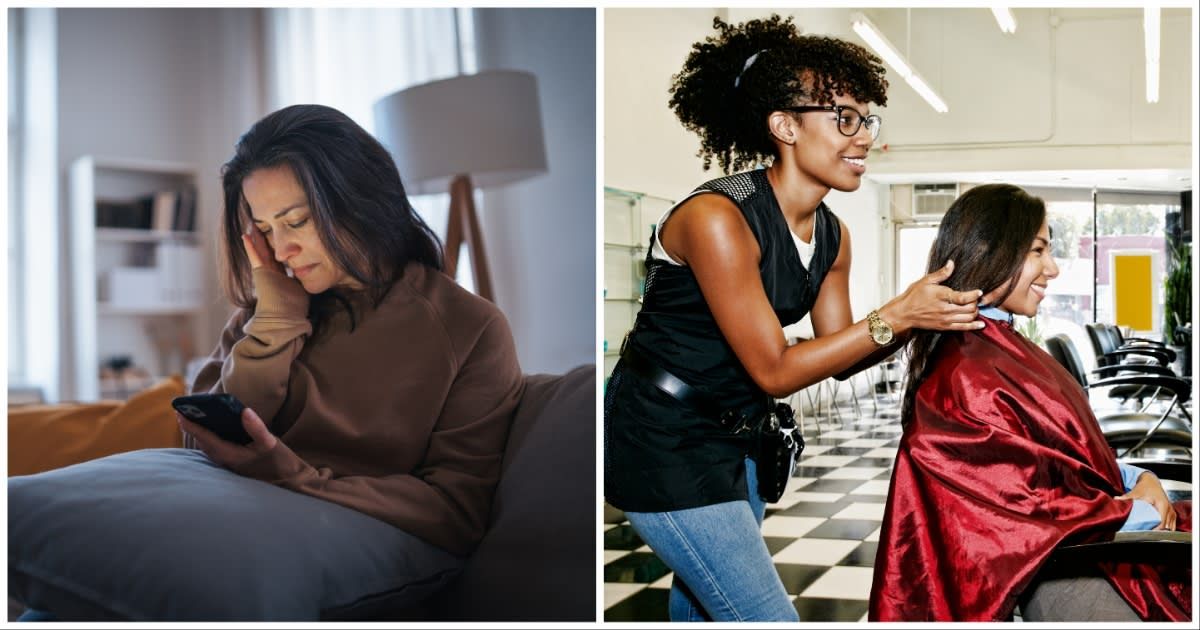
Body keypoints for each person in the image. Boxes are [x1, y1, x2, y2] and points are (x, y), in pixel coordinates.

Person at [602, 15, 986, 622]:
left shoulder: (832, 235)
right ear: (785, 126)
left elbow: (843, 355)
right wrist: (896, 313)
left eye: (867, 121)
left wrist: (921, 315)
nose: (863, 138)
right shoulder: (717, 218)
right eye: (844, 118)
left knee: (704, 607)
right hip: (662, 437)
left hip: (742, 436)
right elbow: (776, 371)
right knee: (763, 615)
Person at [181, 104, 524, 558]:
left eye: (296, 221)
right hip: (228, 513)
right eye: (265, 229)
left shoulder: (469, 328)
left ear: (360, 198)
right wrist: (276, 323)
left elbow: (456, 509)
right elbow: (200, 443)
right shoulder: (264, 313)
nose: (281, 250)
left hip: (353, 541)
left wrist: (293, 477)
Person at [869, 183, 1191, 622]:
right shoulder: (965, 379)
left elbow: (1054, 458)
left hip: (1099, 524)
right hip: (1080, 554)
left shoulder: (995, 347)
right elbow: (1022, 510)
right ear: (991, 252)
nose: (1052, 268)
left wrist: (1138, 475)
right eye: (1038, 250)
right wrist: (1138, 509)